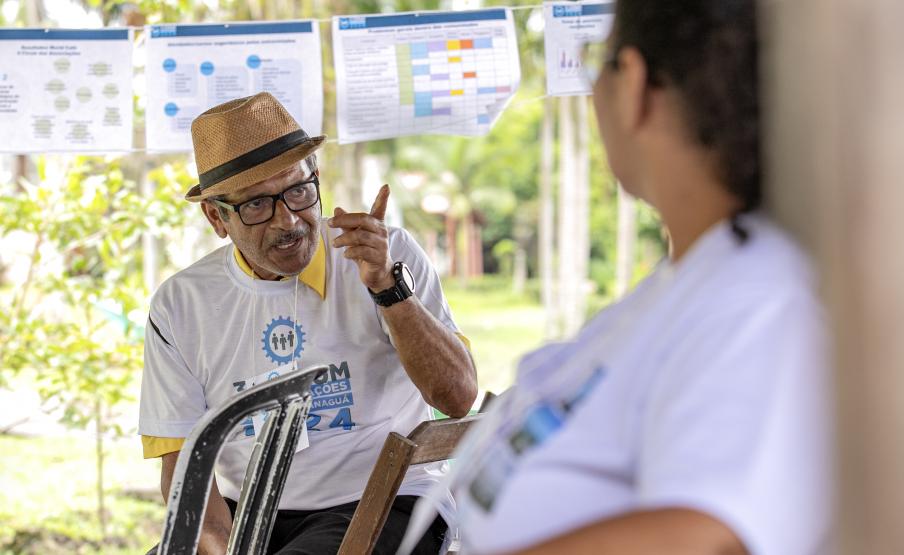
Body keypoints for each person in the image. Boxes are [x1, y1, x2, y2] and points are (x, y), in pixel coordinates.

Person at [405, 1, 832, 554]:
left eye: (595, 65)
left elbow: (705, 536)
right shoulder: (693, 280)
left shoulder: (758, 295)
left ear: (633, 86)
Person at [139, 92, 477, 555]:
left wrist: (388, 289)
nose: (290, 220)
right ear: (216, 217)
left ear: (316, 179)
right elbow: (183, 470)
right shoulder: (182, 304)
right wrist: (218, 547)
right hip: (249, 512)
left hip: (385, 502)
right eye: (257, 205)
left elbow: (457, 398)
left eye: (298, 191)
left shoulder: (385, 254)